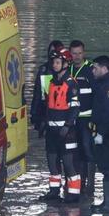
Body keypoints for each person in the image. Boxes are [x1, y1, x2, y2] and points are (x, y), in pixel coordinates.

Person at [39, 47, 82, 203]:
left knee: (69, 162)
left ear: (65, 64)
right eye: (54, 62)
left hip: (66, 131)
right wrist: (44, 122)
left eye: (58, 62)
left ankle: (73, 194)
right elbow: (49, 105)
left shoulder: (71, 84)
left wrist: (68, 125)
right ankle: (54, 191)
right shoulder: (51, 82)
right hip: (52, 130)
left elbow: (75, 107)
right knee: (52, 161)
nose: (55, 65)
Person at [89, 56, 109, 214]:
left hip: (108, 135)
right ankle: (108, 201)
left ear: (104, 68)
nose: (93, 70)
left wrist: (101, 133)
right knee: (105, 167)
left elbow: (108, 113)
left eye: (95, 68)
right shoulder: (102, 83)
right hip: (102, 133)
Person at [68, 40, 95, 194]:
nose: (77, 56)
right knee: (72, 151)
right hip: (71, 118)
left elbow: (97, 94)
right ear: (70, 54)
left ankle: (89, 185)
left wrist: (95, 119)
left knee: (87, 149)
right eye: (74, 53)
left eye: (79, 53)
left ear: (83, 53)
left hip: (86, 118)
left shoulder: (90, 69)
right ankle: (75, 183)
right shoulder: (68, 69)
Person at [30, 40, 64, 136]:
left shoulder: (68, 71)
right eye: (51, 52)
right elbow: (37, 93)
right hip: (45, 111)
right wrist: (34, 113)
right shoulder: (44, 70)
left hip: (62, 113)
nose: (53, 55)